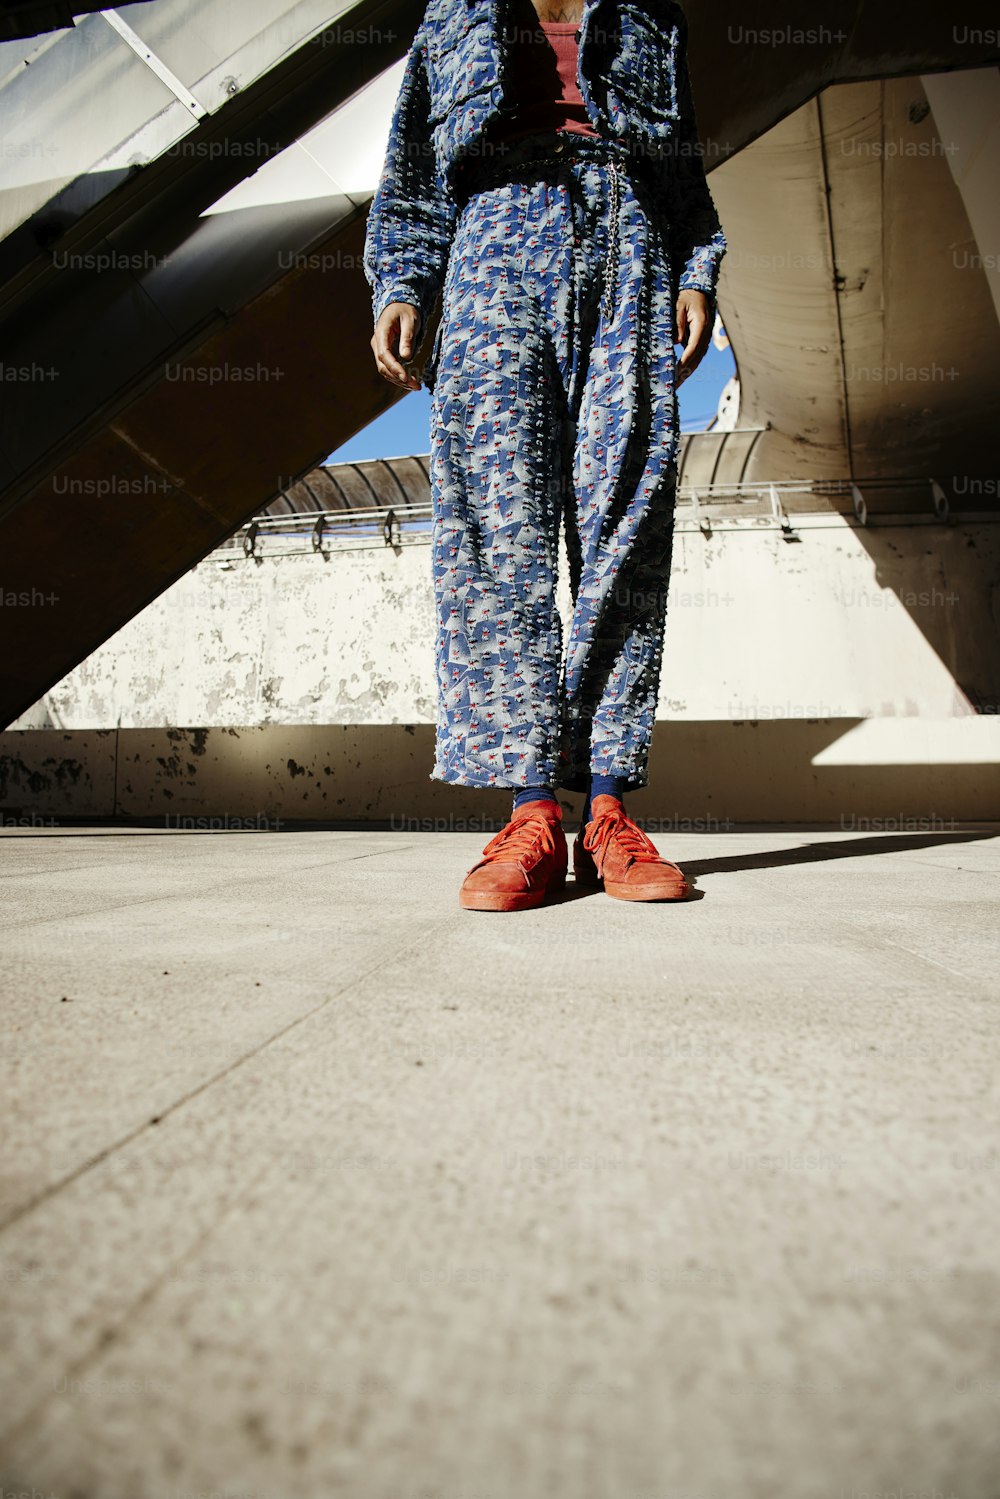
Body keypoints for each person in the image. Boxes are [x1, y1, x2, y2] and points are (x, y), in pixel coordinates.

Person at [364, 0, 726, 911]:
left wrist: (695, 266)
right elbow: (412, 167)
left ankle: (605, 806)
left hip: (632, 237)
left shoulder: (651, 13)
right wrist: (404, 280)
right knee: (494, 528)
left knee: (627, 512)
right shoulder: (453, 11)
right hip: (492, 233)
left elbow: (680, 161)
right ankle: (530, 812)